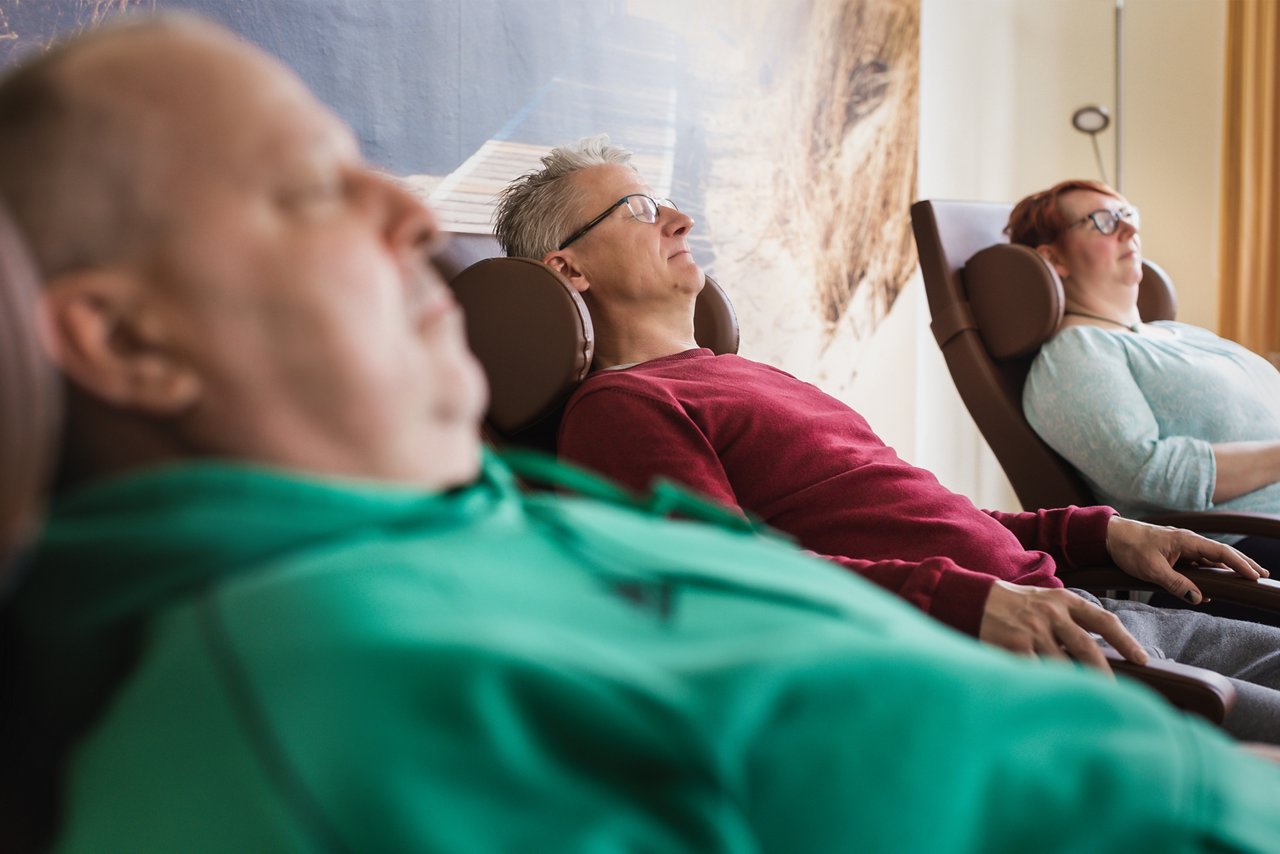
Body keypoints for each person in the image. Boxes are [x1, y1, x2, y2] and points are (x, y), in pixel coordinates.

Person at [4, 17, 1280, 853]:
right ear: (127, 341)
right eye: (306, 196)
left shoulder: (512, 515)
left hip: (1084, 634)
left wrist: (1085, 525)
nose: (407, 226)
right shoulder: (318, 675)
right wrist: (973, 601)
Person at [495, 136, 1280, 743]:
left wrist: (1099, 528)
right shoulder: (622, 408)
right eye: (636, 209)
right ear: (569, 268)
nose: (678, 217)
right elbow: (718, 588)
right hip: (1015, 656)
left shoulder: (746, 376)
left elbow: (930, 521)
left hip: (1071, 604)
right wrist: (966, 605)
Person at [1011, 179, 1280, 570]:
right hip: (1238, 548)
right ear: (1054, 259)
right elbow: (1146, 473)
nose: (1130, 229)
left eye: (1127, 214)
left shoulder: (1174, 333)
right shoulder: (1076, 353)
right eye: (1102, 220)